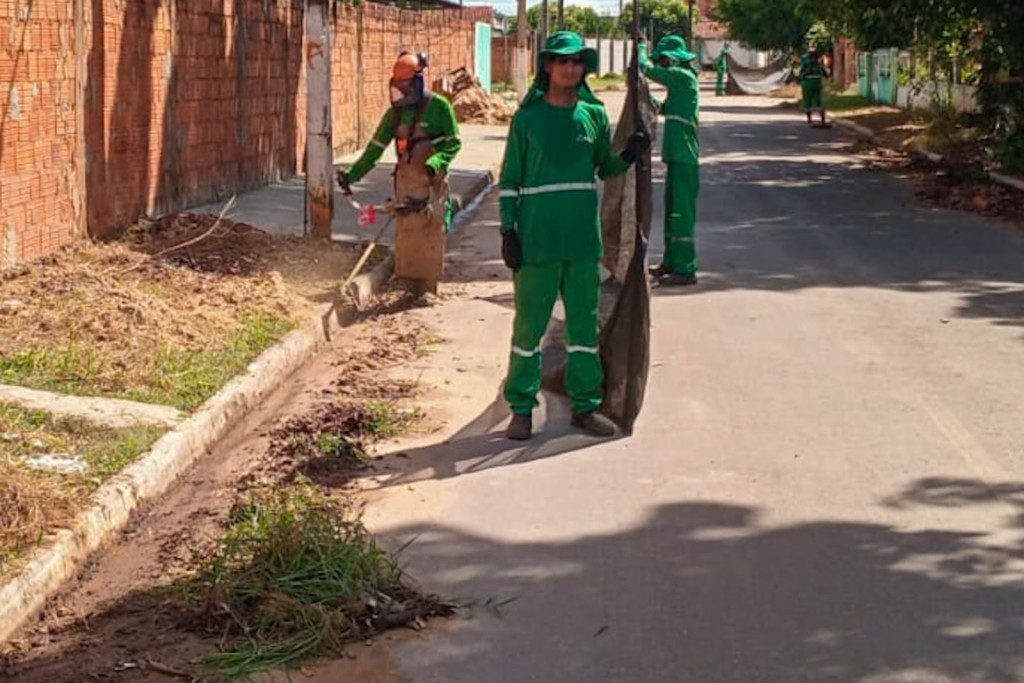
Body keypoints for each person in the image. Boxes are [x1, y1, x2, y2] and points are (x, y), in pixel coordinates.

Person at [498, 31, 649, 441]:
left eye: (577, 61)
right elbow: (510, 179)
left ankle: (585, 405)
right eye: (562, 61)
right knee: (529, 328)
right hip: (537, 241)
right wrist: (508, 230)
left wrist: (629, 155)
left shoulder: (594, 115)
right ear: (546, 66)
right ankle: (522, 408)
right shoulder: (527, 119)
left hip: (583, 242)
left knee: (583, 328)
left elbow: (605, 168)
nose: (570, 67)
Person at [338, 52, 461, 294]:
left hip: (431, 182)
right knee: (406, 234)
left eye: (407, 85)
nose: (403, 90)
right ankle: (409, 282)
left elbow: (453, 142)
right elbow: (375, 148)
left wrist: (436, 162)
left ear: (418, 81)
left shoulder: (439, 107)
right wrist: (352, 175)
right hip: (405, 182)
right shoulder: (395, 114)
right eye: (399, 85)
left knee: (430, 231)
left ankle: (428, 287)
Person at [641, 35, 701, 286]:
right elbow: (666, 109)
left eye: (664, 59)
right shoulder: (680, 84)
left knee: (681, 214)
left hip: (685, 157)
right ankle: (671, 261)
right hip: (677, 157)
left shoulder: (683, 76)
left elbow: (647, 69)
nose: (663, 64)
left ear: (674, 59)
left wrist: (641, 48)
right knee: (671, 211)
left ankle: (685, 268)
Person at [799, 45, 830, 126]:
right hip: (817, 83)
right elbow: (825, 74)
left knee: (808, 102)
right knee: (819, 101)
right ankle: (823, 120)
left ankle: (809, 119)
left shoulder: (806, 62)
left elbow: (801, 74)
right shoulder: (818, 64)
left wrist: (802, 76)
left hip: (807, 84)